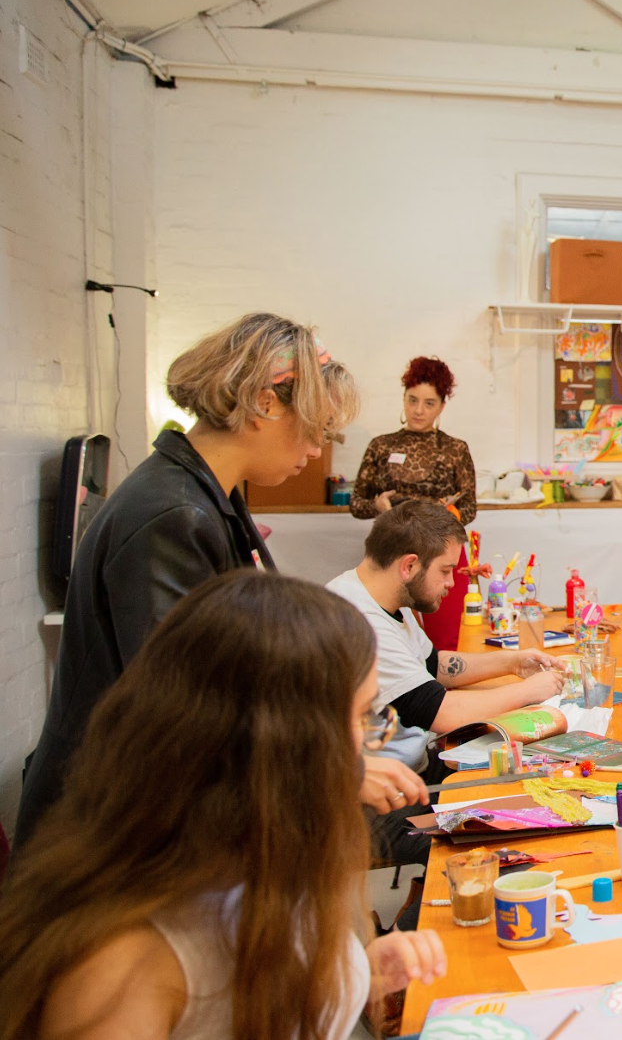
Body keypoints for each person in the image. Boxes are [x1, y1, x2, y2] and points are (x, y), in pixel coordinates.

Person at [16, 313, 422, 848]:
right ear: (264, 402)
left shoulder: (208, 495)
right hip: (112, 838)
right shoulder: (172, 516)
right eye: (317, 428)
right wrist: (332, 770)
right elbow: (188, 713)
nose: (316, 449)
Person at [0, 570, 448, 1040]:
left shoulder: (267, 857)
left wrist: (359, 978)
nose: (366, 747)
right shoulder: (120, 965)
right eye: (359, 718)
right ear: (280, 744)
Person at [328, 500, 568, 777]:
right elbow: (442, 713)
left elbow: (434, 665)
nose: (451, 583)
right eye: (445, 570)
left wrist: (512, 662)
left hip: (414, 767)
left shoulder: (382, 595)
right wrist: (529, 691)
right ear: (409, 565)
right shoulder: (359, 622)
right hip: (396, 790)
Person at [348, 356, 479, 650]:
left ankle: (447, 694)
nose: (418, 410)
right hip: (393, 548)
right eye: (412, 400)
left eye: (429, 403)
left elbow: (470, 507)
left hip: (442, 550)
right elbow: (357, 502)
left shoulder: (455, 449)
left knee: (447, 641)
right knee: (389, 637)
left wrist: (450, 511)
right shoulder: (381, 446)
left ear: (442, 406)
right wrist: (378, 506)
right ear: (404, 398)